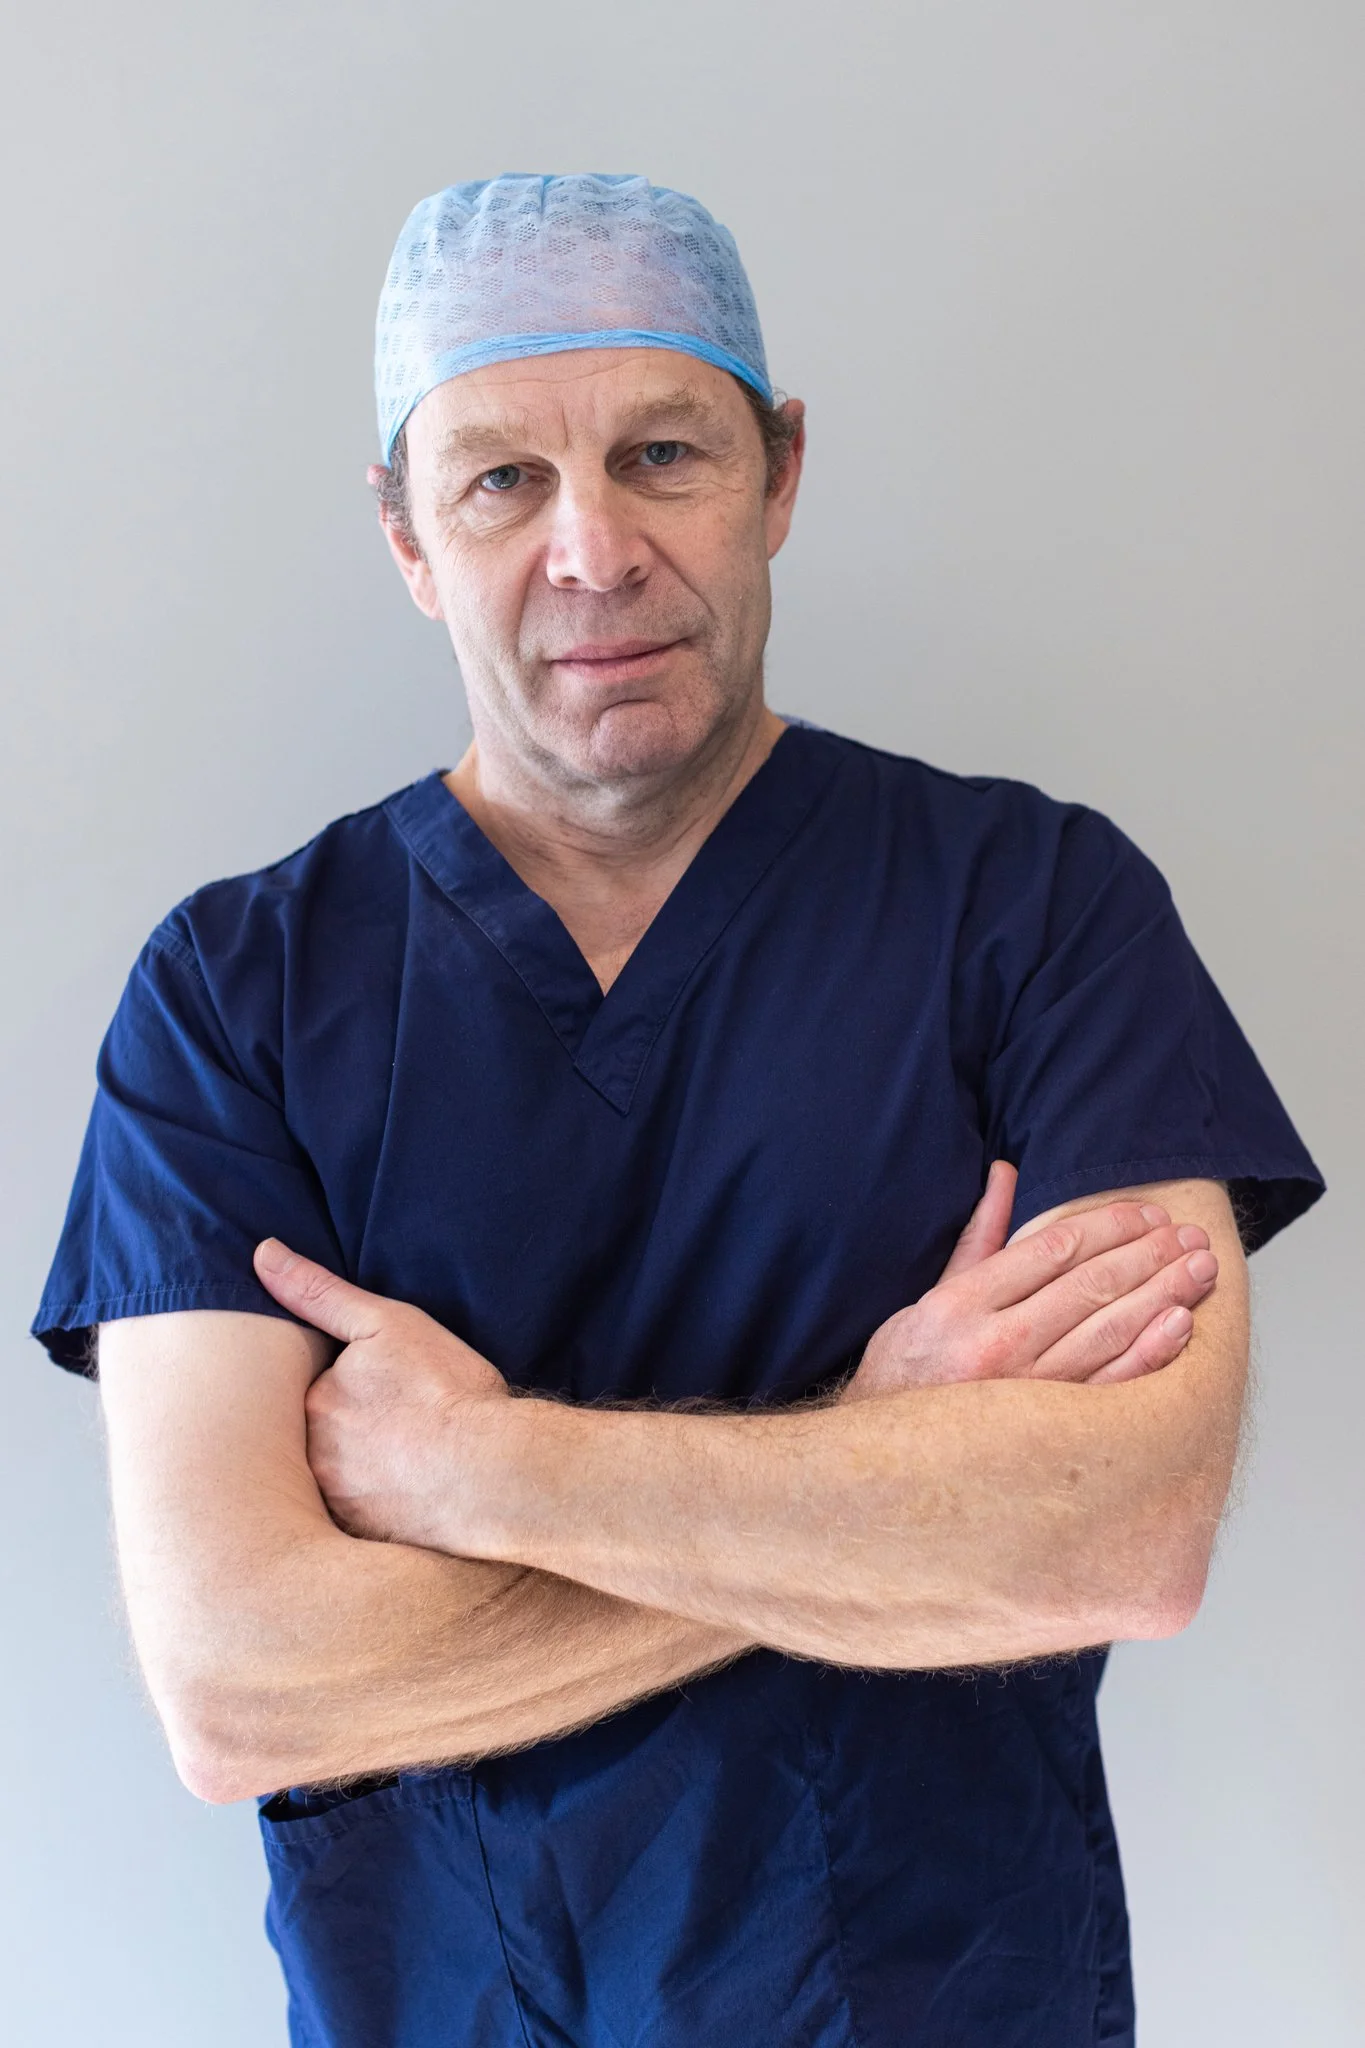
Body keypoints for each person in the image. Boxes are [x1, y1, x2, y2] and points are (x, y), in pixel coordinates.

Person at [34, 174, 1323, 2048]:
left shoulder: (1037, 910)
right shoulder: (237, 997)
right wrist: (875, 1459)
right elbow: (243, 1690)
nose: (593, 550)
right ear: (404, 534)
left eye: (662, 453)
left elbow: (1119, 1534)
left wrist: (491, 1476)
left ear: (780, 472)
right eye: (499, 481)